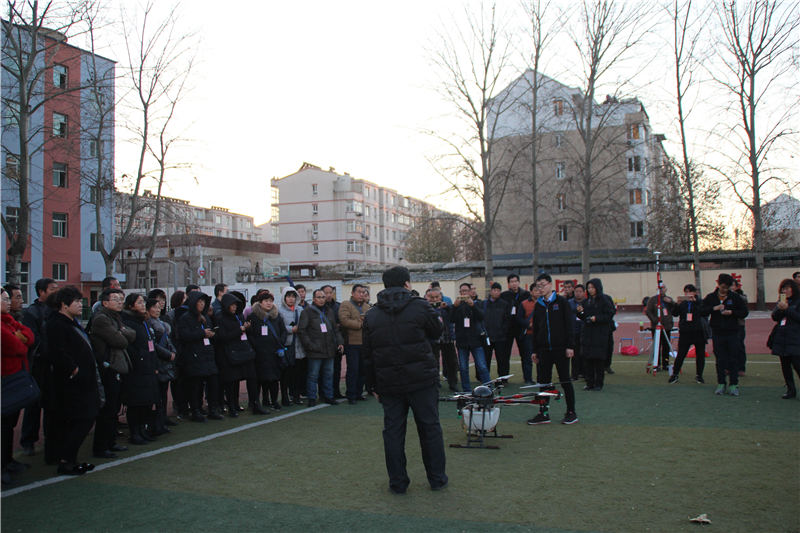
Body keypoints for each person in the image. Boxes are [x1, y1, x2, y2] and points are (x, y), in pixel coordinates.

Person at [363, 266, 447, 494]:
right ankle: (437, 478)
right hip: (422, 380)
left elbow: (367, 355)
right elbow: (437, 330)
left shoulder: (372, 314)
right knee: (429, 429)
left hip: (389, 383)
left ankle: (398, 482)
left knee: (393, 432)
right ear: (407, 283)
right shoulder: (420, 306)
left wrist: (372, 385)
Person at [46, 286, 101, 475]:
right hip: (72, 383)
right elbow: (57, 352)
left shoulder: (72, 322)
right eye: (77, 301)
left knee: (84, 417)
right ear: (64, 304)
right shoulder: (57, 324)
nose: (80, 305)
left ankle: (70, 458)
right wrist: (73, 369)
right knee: (81, 418)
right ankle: (65, 460)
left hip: (83, 380)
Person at [88, 288, 135, 458]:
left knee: (114, 407)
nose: (119, 302)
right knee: (107, 409)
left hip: (117, 365)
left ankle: (110, 442)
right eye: (115, 299)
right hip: (108, 367)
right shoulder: (101, 318)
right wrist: (122, 333)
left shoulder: (116, 317)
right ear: (105, 302)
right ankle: (101, 446)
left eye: (121, 299)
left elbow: (131, 335)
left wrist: (122, 332)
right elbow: (120, 340)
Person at [527, 274, 578, 425]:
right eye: (538, 286)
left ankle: (571, 412)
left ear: (550, 284)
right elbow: (536, 329)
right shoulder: (539, 305)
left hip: (561, 349)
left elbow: (570, 325)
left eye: (542, 285)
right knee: (543, 382)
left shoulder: (562, 302)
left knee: (564, 380)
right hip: (543, 350)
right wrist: (535, 350)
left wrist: (570, 346)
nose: (540, 288)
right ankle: (543, 413)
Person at [20, 277, 58, 460]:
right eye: (52, 289)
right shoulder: (32, 313)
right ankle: (28, 441)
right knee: (33, 405)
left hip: (54, 365)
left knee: (52, 404)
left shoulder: (57, 310)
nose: (56, 292)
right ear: (41, 292)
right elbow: (32, 340)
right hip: (38, 366)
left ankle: (52, 439)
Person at [2, 288, 35, 485]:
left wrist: (20, 336)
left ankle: (7, 460)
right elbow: (16, 346)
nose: (8, 302)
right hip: (4, 379)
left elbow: (28, 337)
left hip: (15, 377)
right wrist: (20, 338)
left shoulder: (9, 320)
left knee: (9, 425)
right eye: (4, 299)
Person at [120, 294, 161, 444]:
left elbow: (151, 345)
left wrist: (154, 364)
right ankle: (135, 432)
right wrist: (140, 358)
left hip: (148, 367)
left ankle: (143, 430)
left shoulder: (144, 322)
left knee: (147, 401)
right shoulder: (128, 322)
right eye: (139, 302)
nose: (143, 305)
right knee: (136, 402)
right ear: (131, 306)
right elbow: (130, 346)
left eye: (143, 302)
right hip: (137, 369)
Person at [175, 291, 221, 421]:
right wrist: (202, 333)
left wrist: (212, 334)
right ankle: (196, 410)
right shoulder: (185, 318)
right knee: (196, 386)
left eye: (203, 302)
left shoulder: (205, 317)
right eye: (199, 302)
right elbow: (183, 336)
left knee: (213, 382)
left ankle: (213, 409)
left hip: (208, 354)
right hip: (194, 355)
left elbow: (210, 332)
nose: (201, 304)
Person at [701, 274, 748, 396]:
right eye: (723, 287)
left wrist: (732, 312)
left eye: (727, 288)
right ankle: (721, 383)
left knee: (733, 358)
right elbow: (701, 311)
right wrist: (714, 308)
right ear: (718, 284)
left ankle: (734, 384)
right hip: (717, 332)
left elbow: (744, 312)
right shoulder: (711, 297)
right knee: (720, 359)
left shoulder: (735, 297)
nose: (725, 290)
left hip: (733, 332)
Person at [213, 293, 259, 417]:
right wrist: (240, 330)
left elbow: (244, 332)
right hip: (229, 355)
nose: (234, 307)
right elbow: (223, 336)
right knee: (231, 382)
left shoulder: (238, 316)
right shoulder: (221, 318)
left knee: (250, 378)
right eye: (232, 305)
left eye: (236, 305)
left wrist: (246, 328)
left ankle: (253, 404)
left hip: (242, 352)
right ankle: (232, 407)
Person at [298, 289, 343, 406]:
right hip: (315, 350)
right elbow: (302, 331)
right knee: (313, 375)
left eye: (323, 297)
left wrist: (340, 342)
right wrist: (310, 345)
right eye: (319, 297)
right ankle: (312, 398)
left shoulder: (329, 311)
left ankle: (329, 396)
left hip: (330, 349)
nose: (322, 299)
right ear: (313, 299)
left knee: (329, 374)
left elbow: (335, 329)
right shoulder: (307, 312)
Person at [247, 292, 285, 412]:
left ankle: (274, 401)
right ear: (260, 302)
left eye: (270, 301)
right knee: (258, 379)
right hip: (259, 354)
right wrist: (256, 347)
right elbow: (250, 335)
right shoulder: (253, 317)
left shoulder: (276, 316)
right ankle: (256, 402)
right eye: (266, 301)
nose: (269, 303)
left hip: (274, 353)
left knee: (274, 379)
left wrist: (280, 344)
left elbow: (283, 331)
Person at [576, 279, 615, 391]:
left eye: (592, 287)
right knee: (587, 360)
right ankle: (590, 383)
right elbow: (582, 317)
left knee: (598, 360)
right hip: (588, 334)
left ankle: (598, 383)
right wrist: (580, 312)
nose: (590, 290)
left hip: (600, 334)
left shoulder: (605, 299)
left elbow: (609, 314)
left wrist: (596, 318)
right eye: (588, 288)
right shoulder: (586, 301)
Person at [145, 298, 178, 432]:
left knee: (164, 392)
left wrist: (173, 352)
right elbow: (154, 346)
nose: (158, 309)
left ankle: (162, 419)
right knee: (156, 394)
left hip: (166, 362)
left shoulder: (163, 324)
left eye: (159, 307)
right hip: (157, 361)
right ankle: (155, 423)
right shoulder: (148, 324)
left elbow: (169, 341)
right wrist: (167, 354)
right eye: (155, 307)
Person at [450, 282, 490, 391]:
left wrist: (472, 305)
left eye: (466, 291)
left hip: (476, 340)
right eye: (462, 291)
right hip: (462, 341)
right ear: (459, 292)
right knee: (463, 368)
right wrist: (454, 306)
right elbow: (451, 319)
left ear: (470, 292)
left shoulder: (477, 303)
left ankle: (488, 389)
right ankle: (466, 390)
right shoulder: (456, 305)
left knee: (482, 366)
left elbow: (481, 316)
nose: (464, 293)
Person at [768, 279, 800, 399]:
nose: (784, 291)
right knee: (785, 366)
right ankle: (790, 390)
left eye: (787, 288)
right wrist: (780, 309)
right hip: (782, 337)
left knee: (797, 364)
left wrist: (787, 309)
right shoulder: (781, 301)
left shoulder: (798, 301)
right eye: (783, 289)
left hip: (795, 337)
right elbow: (775, 317)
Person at [339, 284, 371, 404]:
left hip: (365, 343)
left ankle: (358, 393)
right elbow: (344, 320)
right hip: (352, 343)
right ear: (352, 293)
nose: (361, 294)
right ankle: (351, 395)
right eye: (359, 292)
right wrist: (359, 324)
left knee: (363, 370)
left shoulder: (367, 307)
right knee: (353, 370)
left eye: (363, 292)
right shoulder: (346, 304)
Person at [669, 284, 706, 384]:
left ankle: (699, 375)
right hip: (685, 331)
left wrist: (696, 302)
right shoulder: (683, 303)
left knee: (700, 354)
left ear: (695, 292)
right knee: (681, 353)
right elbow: (675, 313)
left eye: (690, 292)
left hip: (698, 331)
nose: (688, 294)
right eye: (686, 292)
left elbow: (704, 312)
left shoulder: (699, 302)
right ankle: (675, 374)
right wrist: (677, 304)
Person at [500, 274, 532, 384]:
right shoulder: (504, 295)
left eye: (516, 281)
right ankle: (504, 379)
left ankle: (527, 378)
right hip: (508, 329)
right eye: (511, 281)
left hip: (521, 328)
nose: (514, 283)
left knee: (525, 355)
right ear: (508, 283)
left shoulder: (526, 294)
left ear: (519, 282)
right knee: (505, 355)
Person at [426, 288, 459, 392]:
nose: (435, 299)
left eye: (437, 297)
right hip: (433, 339)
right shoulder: (426, 308)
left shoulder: (446, 306)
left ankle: (453, 383)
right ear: (428, 297)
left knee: (452, 362)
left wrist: (447, 308)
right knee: (433, 363)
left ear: (441, 296)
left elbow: (453, 317)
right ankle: (434, 384)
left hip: (447, 338)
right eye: (432, 297)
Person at [278, 287, 305, 405]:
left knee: (298, 373)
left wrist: (300, 328)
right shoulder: (279, 311)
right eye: (288, 296)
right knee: (286, 374)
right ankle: (285, 396)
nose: (291, 299)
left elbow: (305, 324)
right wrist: (291, 329)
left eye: (293, 296)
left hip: (299, 345)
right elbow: (278, 327)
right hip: (287, 345)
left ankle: (296, 395)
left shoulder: (300, 310)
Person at [481, 282, 511, 378]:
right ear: (491, 291)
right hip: (487, 337)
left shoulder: (504, 304)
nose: (496, 292)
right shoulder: (484, 304)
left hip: (500, 337)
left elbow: (507, 320)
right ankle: (485, 378)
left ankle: (503, 378)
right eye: (494, 290)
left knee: (502, 359)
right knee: (486, 359)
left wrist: (503, 331)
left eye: (498, 291)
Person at [646, 283, 678, 372]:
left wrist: (671, 302)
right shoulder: (653, 300)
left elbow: (675, 311)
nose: (661, 289)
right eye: (660, 288)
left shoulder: (669, 300)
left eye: (663, 288)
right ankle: (657, 364)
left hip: (667, 327)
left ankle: (666, 364)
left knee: (666, 346)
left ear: (666, 289)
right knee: (657, 346)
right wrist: (655, 321)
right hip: (656, 327)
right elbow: (648, 311)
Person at [322, 285, 345, 399]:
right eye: (326, 293)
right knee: (325, 370)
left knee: (337, 369)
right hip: (323, 343)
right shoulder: (319, 308)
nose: (328, 295)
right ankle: (324, 393)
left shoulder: (338, 306)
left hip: (337, 342)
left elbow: (342, 321)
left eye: (330, 292)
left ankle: (336, 391)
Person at [568, 284, 586, 380]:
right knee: (574, 354)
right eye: (576, 291)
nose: (578, 293)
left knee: (584, 353)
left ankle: (584, 373)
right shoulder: (569, 302)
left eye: (580, 291)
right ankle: (574, 374)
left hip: (584, 330)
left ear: (584, 293)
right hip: (573, 330)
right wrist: (576, 310)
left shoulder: (587, 302)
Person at [733, 280, 748, 375]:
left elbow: (744, 311)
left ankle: (741, 368)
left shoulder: (741, 297)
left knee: (739, 346)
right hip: (726, 326)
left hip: (739, 324)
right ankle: (729, 367)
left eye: (732, 286)